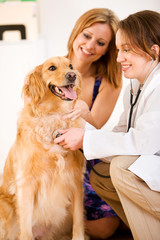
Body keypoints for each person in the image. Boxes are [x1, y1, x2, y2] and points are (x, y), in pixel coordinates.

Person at [54, 10, 160, 240]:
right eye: (119, 50)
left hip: (89, 158)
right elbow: (122, 133)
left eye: (126, 50)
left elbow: (142, 141)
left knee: (119, 169)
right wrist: (85, 135)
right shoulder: (134, 86)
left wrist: (84, 130)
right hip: (60, 157)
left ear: (154, 51)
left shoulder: (114, 82)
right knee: (109, 169)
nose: (119, 58)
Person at [64, 8, 122, 239]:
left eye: (101, 42)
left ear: (108, 49)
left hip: (85, 155)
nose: (90, 46)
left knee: (103, 230)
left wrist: (85, 112)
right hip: (50, 154)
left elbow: (96, 125)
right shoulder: (50, 68)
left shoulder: (108, 81)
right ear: (77, 32)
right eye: (87, 36)